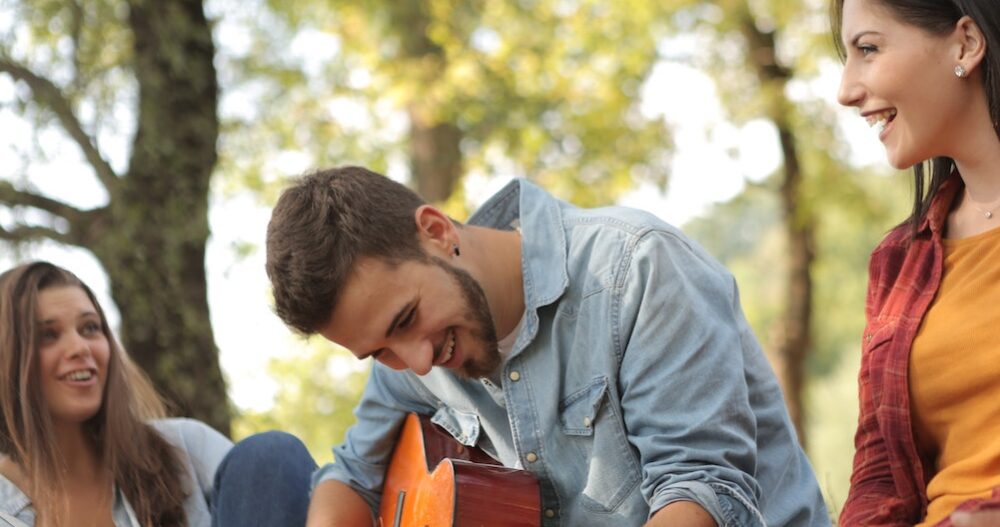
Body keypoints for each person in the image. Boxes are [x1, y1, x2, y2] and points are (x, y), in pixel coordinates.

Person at [264, 166, 829, 526]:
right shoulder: (412, 353)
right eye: (379, 352)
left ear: (437, 232)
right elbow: (349, 478)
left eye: (408, 319)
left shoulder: (636, 267)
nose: (414, 362)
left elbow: (703, 493)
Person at [833, 0, 1000, 526]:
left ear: (966, 44)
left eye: (868, 50)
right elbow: (878, 476)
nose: (845, 90)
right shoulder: (899, 262)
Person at [0, 261, 317, 527]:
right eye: (48, 335)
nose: (80, 347)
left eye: (90, 328)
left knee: (271, 453)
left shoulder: (182, 449)